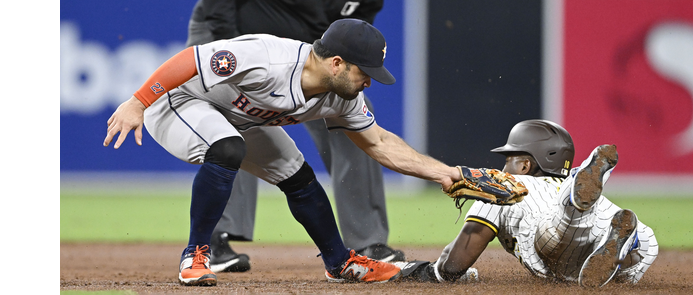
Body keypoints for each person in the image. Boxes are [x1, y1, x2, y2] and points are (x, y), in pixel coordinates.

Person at [103, 18, 469, 286]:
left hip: (236, 119)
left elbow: (379, 143)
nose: (369, 81)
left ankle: (340, 264)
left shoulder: (342, 97)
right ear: (336, 63)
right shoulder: (269, 59)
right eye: (365, 71)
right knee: (228, 147)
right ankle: (195, 255)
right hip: (178, 101)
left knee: (298, 175)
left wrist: (443, 172)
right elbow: (190, 60)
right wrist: (137, 102)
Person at [184, 0, 409, 271]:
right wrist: (229, 49)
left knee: (354, 114)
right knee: (233, 119)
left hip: (306, 59)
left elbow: (355, 38)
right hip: (233, 37)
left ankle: (369, 242)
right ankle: (214, 242)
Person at [394, 119, 658, 288]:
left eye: (509, 158)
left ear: (524, 165)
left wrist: (431, 271)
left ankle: (574, 208)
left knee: (555, 234)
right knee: (621, 259)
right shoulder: (582, 193)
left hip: (560, 242)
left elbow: (455, 264)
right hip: (619, 225)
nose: (504, 166)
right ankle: (629, 246)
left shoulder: (506, 185)